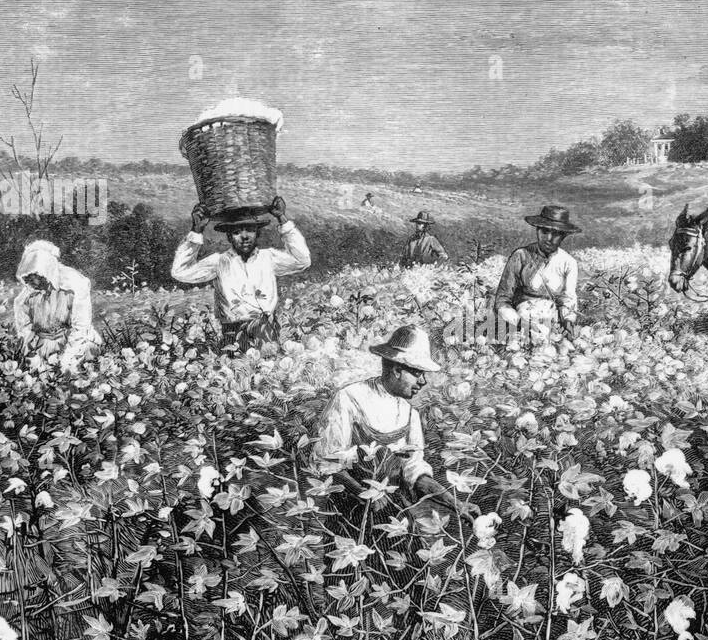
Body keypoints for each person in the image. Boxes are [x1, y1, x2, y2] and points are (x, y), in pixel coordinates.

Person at [311, 324, 472, 524]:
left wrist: (455, 503)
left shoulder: (409, 413)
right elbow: (328, 464)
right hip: (350, 513)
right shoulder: (350, 398)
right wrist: (365, 493)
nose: (423, 382)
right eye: (417, 373)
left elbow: (414, 471)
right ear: (396, 369)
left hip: (394, 515)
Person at [170, 195, 310, 351]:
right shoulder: (219, 262)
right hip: (233, 335)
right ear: (229, 236)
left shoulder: (269, 257)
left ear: (257, 233)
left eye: (250, 230)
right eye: (237, 232)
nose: (244, 236)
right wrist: (197, 230)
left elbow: (302, 260)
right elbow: (179, 272)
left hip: (267, 331)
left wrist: (282, 218)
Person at [492, 204, 581, 347]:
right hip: (519, 324)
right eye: (545, 231)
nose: (549, 238)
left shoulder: (568, 263)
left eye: (556, 234)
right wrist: (520, 323)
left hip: (553, 325)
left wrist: (568, 321)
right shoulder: (520, 256)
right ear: (537, 230)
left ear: (563, 236)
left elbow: (568, 299)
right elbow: (502, 300)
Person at [13, 239, 102, 372]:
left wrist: (66, 358)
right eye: (26, 278)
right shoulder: (26, 298)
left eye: (33, 277)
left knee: (77, 365)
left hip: (73, 342)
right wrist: (33, 353)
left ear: (44, 272)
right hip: (43, 345)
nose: (29, 282)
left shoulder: (73, 285)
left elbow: (81, 327)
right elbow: (25, 330)